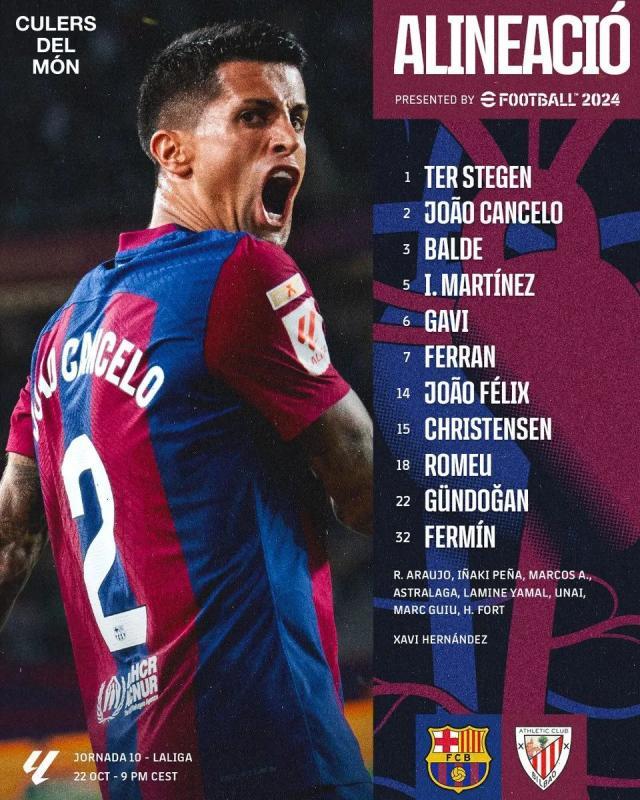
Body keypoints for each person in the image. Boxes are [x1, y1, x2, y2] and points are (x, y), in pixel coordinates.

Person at [0, 21, 373, 800]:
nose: (288, 139)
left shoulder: (57, 334)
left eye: (298, 118)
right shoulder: (244, 269)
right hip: (272, 753)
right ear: (173, 152)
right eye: (254, 116)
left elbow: (10, 535)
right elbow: (365, 482)